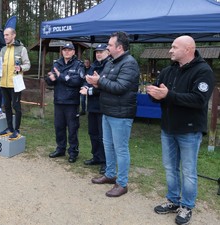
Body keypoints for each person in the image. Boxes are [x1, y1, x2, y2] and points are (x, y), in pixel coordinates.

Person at [146, 35, 214, 225]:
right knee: (170, 168)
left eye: (174, 47)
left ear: (188, 49)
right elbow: (160, 92)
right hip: (168, 128)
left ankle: (187, 206)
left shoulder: (203, 71)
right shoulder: (169, 70)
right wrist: (154, 94)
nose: (170, 50)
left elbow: (198, 100)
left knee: (188, 171)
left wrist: (168, 95)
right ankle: (173, 200)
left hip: (189, 131)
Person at [87, 32, 140, 197]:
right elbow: (105, 82)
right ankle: (110, 175)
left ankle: (122, 184)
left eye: (110, 45)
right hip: (108, 111)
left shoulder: (129, 63)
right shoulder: (110, 62)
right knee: (108, 145)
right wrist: (97, 81)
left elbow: (120, 87)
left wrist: (99, 82)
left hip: (121, 114)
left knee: (121, 149)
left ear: (120, 47)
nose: (107, 47)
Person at [46, 43, 85, 163]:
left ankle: (73, 152)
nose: (67, 52)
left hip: (71, 102)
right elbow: (50, 80)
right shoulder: (57, 63)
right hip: (59, 101)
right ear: (62, 52)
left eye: (69, 50)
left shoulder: (78, 64)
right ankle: (60, 148)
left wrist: (61, 76)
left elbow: (78, 81)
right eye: (65, 50)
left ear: (73, 52)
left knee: (72, 128)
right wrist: (50, 79)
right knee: (59, 127)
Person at [80, 44, 110, 174]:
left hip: (103, 106)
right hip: (92, 106)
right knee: (93, 133)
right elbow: (87, 79)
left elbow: (105, 85)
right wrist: (86, 87)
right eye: (97, 52)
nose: (98, 54)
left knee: (103, 136)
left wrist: (90, 90)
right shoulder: (93, 65)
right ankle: (96, 157)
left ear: (108, 52)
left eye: (101, 52)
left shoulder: (109, 66)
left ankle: (105, 162)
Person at [0, 28, 31, 140]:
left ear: (13, 35)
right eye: (4, 35)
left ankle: (17, 130)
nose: (5, 37)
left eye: (7, 35)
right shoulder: (3, 49)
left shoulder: (22, 49)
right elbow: (0, 65)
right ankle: (10, 128)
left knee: (16, 106)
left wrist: (21, 67)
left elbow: (27, 64)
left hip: (15, 83)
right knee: (6, 106)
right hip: (3, 82)